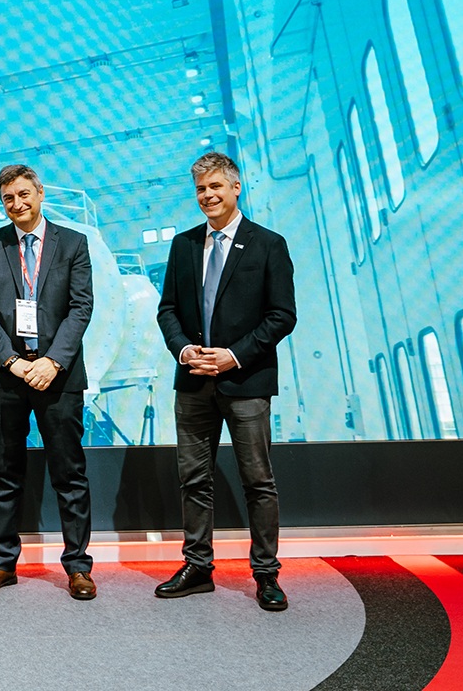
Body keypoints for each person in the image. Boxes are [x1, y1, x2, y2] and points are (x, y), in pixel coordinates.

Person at [154, 151, 296, 612]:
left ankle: (266, 574)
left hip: (246, 382)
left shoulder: (268, 244)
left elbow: (282, 315)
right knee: (194, 479)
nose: (207, 195)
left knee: (258, 481)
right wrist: (183, 349)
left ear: (236, 188)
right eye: (200, 189)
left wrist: (234, 356)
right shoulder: (183, 245)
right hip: (193, 382)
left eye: (216, 186)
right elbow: (167, 310)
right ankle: (197, 567)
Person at [0, 164, 96, 600]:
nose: (17, 204)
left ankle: (78, 567)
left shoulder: (73, 243)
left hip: (58, 376)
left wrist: (52, 362)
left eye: (24, 194)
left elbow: (81, 307)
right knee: (4, 474)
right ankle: (2, 563)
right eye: (8, 198)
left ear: (40, 193)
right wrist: (12, 362)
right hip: (6, 377)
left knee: (69, 474)